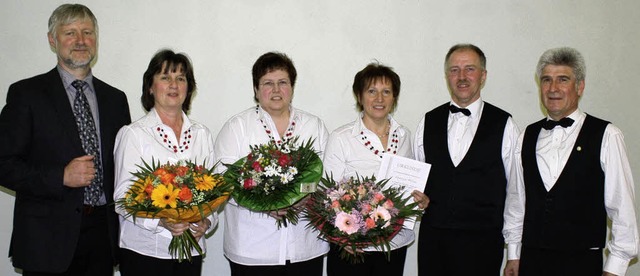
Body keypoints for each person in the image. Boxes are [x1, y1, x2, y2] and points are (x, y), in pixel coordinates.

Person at [0, 4, 131, 275]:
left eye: (87, 32)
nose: (81, 41)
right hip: (46, 241)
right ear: (52, 40)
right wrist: (60, 176)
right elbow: (4, 164)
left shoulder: (115, 100)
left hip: (102, 239)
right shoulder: (26, 94)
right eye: (70, 32)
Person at [503, 47, 639, 276]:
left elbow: (622, 207)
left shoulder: (607, 135)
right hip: (532, 260)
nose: (553, 88)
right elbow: (517, 202)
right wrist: (514, 254)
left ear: (580, 86)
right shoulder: (525, 135)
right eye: (546, 80)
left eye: (562, 80)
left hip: (582, 262)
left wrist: (615, 267)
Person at [214, 52, 329, 276]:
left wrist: (307, 196)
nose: (276, 90)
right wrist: (264, 204)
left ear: (292, 87)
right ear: (256, 90)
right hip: (253, 250)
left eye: (283, 82)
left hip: (305, 248)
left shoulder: (313, 126)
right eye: (268, 83)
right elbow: (222, 183)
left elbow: (327, 178)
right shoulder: (237, 127)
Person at [413, 43, 519, 276]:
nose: (462, 77)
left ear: (483, 76)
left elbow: (515, 193)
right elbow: (417, 184)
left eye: (470, 69)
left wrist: (514, 252)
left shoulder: (505, 124)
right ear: (446, 76)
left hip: (483, 244)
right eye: (454, 70)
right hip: (434, 243)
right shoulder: (427, 122)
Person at [113, 49, 216, 276]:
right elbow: (122, 198)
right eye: (165, 77)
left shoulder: (202, 134)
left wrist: (206, 221)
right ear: (150, 86)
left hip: (190, 249)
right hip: (145, 252)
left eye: (181, 78)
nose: (174, 85)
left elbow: (213, 192)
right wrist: (160, 221)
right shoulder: (133, 134)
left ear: (188, 88)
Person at [322, 62, 429, 276]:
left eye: (386, 92)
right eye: (372, 91)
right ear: (359, 97)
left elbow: (409, 189)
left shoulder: (405, 136)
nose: (379, 99)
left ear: (394, 98)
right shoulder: (342, 138)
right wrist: (342, 238)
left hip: (393, 246)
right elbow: (325, 196)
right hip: (351, 247)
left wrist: (420, 203)